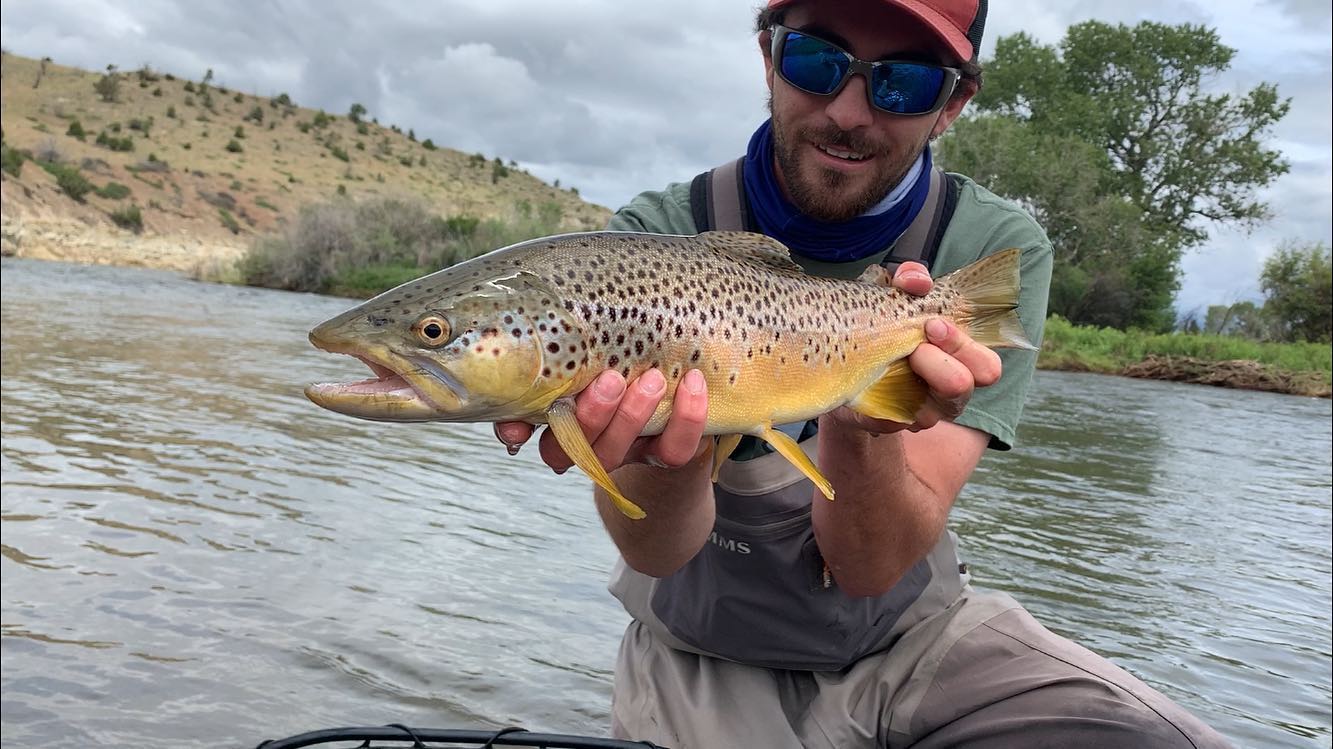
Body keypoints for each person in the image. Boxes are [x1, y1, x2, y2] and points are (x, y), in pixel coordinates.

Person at [497, 1, 1231, 746]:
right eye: (816, 61)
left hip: (914, 641)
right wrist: (665, 457)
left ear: (951, 105)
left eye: (903, 83)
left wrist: (865, 421)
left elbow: (871, 567)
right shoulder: (647, 244)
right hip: (700, 655)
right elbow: (655, 553)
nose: (849, 112)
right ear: (768, 58)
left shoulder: (986, 247)